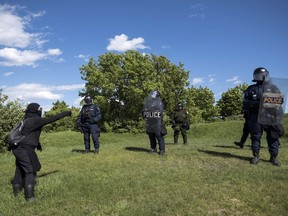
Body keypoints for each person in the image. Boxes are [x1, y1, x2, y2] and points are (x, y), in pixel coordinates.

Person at [10, 103, 72, 201]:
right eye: (39, 109)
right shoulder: (35, 120)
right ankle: (30, 197)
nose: (40, 111)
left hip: (17, 148)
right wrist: (67, 113)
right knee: (30, 171)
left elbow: (30, 134)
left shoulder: (26, 120)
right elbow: (53, 118)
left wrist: (37, 144)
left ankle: (16, 193)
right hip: (25, 148)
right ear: (35, 110)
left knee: (19, 170)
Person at [243, 67, 284, 166]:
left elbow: (280, 100)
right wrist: (257, 103)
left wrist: (267, 102)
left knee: (273, 136)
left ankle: (273, 157)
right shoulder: (251, 88)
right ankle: (256, 156)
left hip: (270, 116)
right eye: (259, 75)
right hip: (255, 116)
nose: (262, 77)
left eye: (264, 75)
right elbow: (245, 101)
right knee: (255, 136)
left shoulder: (273, 87)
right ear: (255, 77)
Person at [142, 90, 166, 155]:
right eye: (152, 94)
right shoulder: (148, 103)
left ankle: (162, 150)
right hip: (150, 122)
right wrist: (145, 114)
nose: (152, 95)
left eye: (153, 94)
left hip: (157, 122)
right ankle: (153, 149)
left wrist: (151, 113)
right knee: (151, 136)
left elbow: (160, 113)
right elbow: (144, 112)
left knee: (159, 136)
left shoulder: (159, 103)